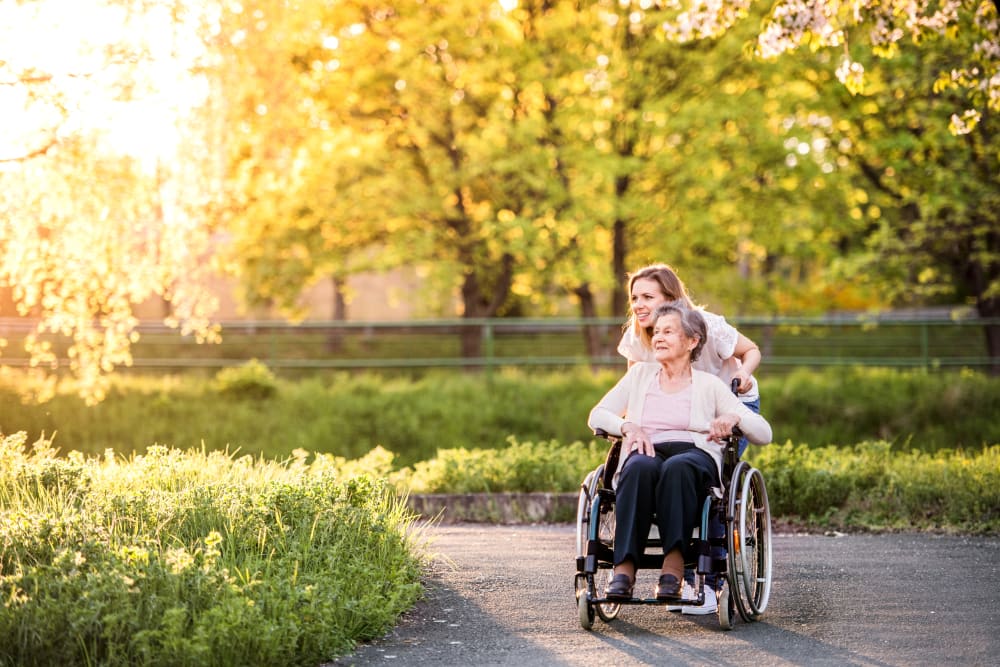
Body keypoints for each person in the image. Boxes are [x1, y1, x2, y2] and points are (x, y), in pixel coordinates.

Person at [588, 302, 772, 607]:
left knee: (678, 467)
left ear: (691, 341)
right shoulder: (640, 376)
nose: (658, 337)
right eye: (656, 331)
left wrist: (735, 419)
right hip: (646, 449)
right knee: (638, 469)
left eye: (668, 331)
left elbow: (764, 433)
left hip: (694, 455)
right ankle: (624, 569)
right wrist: (627, 426)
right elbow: (597, 414)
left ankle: (673, 567)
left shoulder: (710, 385)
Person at [618, 263, 762, 442]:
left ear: (670, 300)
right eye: (634, 298)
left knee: (711, 462)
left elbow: (751, 350)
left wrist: (744, 372)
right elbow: (634, 387)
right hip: (682, 404)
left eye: (647, 297)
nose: (638, 305)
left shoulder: (708, 326)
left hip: (729, 403)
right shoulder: (636, 336)